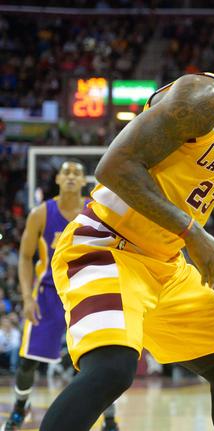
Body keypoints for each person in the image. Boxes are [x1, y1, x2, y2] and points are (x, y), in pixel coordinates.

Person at [39, 16, 214, 431]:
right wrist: (191, 231)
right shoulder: (203, 95)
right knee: (112, 369)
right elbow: (114, 166)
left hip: (166, 267)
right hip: (107, 247)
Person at [2, 160, 120, 431]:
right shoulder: (41, 213)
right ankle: (21, 408)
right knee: (27, 362)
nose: (70, 176)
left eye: (76, 173)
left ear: (83, 181)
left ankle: (110, 418)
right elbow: (24, 257)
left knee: (100, 358)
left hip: (87, 293)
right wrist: (27, 297)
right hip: (47, 294)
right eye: (65, 172)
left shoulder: (96, 211)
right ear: (57, 179)